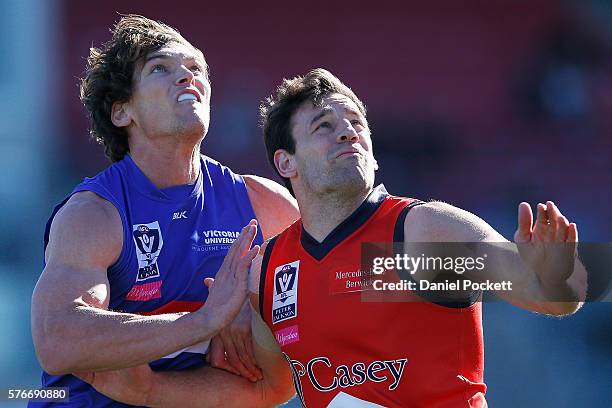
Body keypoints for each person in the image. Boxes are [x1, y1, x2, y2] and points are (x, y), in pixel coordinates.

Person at [79, 69, 586, 407]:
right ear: (286, 163)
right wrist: (148, 388)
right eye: (325, 126)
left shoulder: (416, 235)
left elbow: (548, 296)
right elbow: (267, 388)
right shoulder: (274, 268)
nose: (348, 133)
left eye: (356, 123)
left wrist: (555, 272)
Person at [29, 15, 299, 407]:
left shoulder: (264, 204)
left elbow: (340, 276)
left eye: (195, 68)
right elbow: (58, 338)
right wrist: (204, 321)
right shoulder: (94, 214)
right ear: (122, 112)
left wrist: (257, 310)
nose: (188, 77)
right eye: (161, 68)